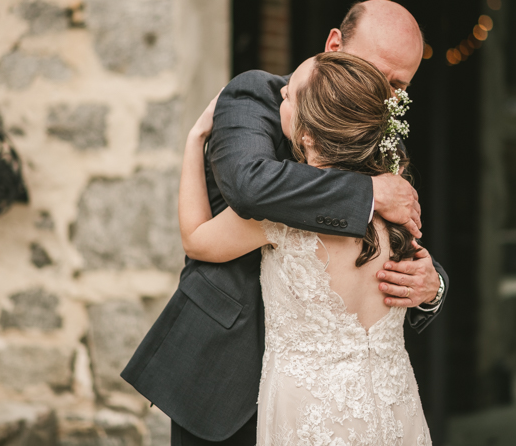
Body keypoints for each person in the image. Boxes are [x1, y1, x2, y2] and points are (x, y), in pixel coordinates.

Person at [121, 0, 448, 445]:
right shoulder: (259, 94)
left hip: (337, 394)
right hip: (226, 369)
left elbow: (396, 239)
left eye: (397, 86)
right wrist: (368, 193)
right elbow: (248, 185)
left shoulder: (376, 135)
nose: (380, 95)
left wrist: (433, 285)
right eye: (372, 70)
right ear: (335, 44)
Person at [181, 51, 432, 443]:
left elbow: (196, 240)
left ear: (306, 135)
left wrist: (195, 140)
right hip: (393, 409)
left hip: (309, 416)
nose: (280, 92)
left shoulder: (280, 218)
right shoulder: (398, 211)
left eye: (289, 97)